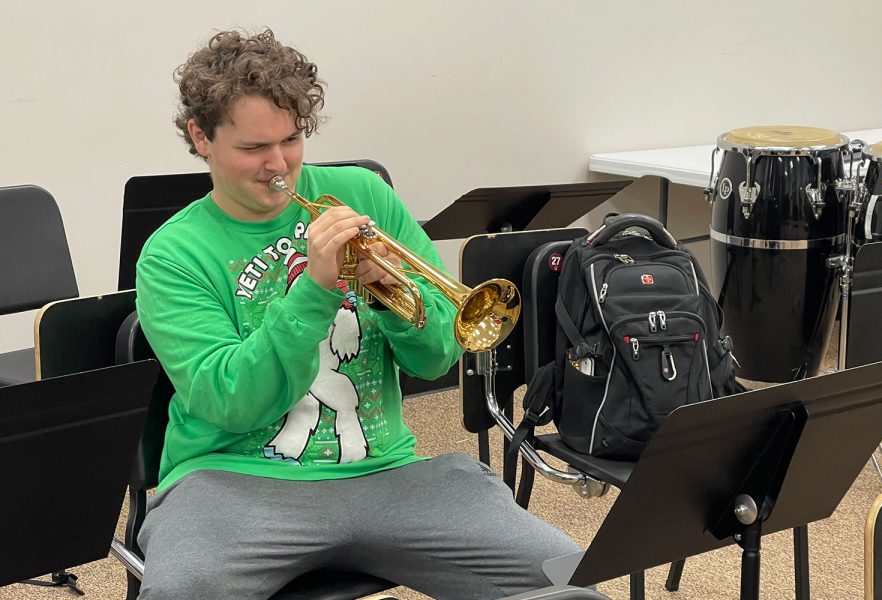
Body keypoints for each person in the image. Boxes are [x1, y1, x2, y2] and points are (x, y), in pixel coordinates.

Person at [134, 28, 580, 600]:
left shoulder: (362, 194)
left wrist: (399, 304)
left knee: (569, 578)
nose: (279, 165)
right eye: (253, 148)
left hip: (389, 472)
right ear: (201, 137)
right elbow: (230, 402)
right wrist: (315, 290)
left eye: (292, 140)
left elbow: (437, 355)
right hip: (233, 481)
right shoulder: (173, 254)